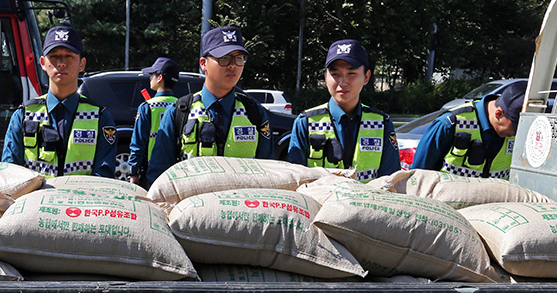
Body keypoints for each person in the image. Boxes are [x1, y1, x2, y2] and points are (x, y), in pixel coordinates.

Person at [146, 26, 272, 184]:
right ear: (203, 64)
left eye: (239, 58)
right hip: (192, 206)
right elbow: (159, 174)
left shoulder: (254, 113)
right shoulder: (179, 112)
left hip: (243, 206)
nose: (232, 65)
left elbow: (269, 172)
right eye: (224, 58)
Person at [1, 25, 117, 177]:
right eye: (54, 56)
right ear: (43, 63)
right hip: (35, 200)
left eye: (69, 55)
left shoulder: (100, 117)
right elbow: (10, 173)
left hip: (83, 200)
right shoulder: (23, 115)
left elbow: (104, 177)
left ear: (82, 64)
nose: (61, 63)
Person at [287, 39, 400, 182]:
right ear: (325, 77)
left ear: (366, 77)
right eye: (335, 74)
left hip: (368, 203)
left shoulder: (382, 123)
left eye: (351, 73)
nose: (342, 82)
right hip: (321, 202)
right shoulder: (306, 122)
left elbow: (391, 180)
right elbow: (295, 179)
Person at [412, 81, 524, 179]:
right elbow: (418, 177)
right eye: (515, 126)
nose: (517, 133)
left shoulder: (510, 133)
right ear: (498, 114)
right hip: (446, 201)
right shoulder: (450, 124)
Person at [129, 57, 179, 186]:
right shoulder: (181, 105)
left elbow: (138, 142)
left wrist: (133, 172)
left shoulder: (147, 106)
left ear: (160, 78)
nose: (150, 78)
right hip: (177, 172)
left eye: (152, 74)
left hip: (151, 172)